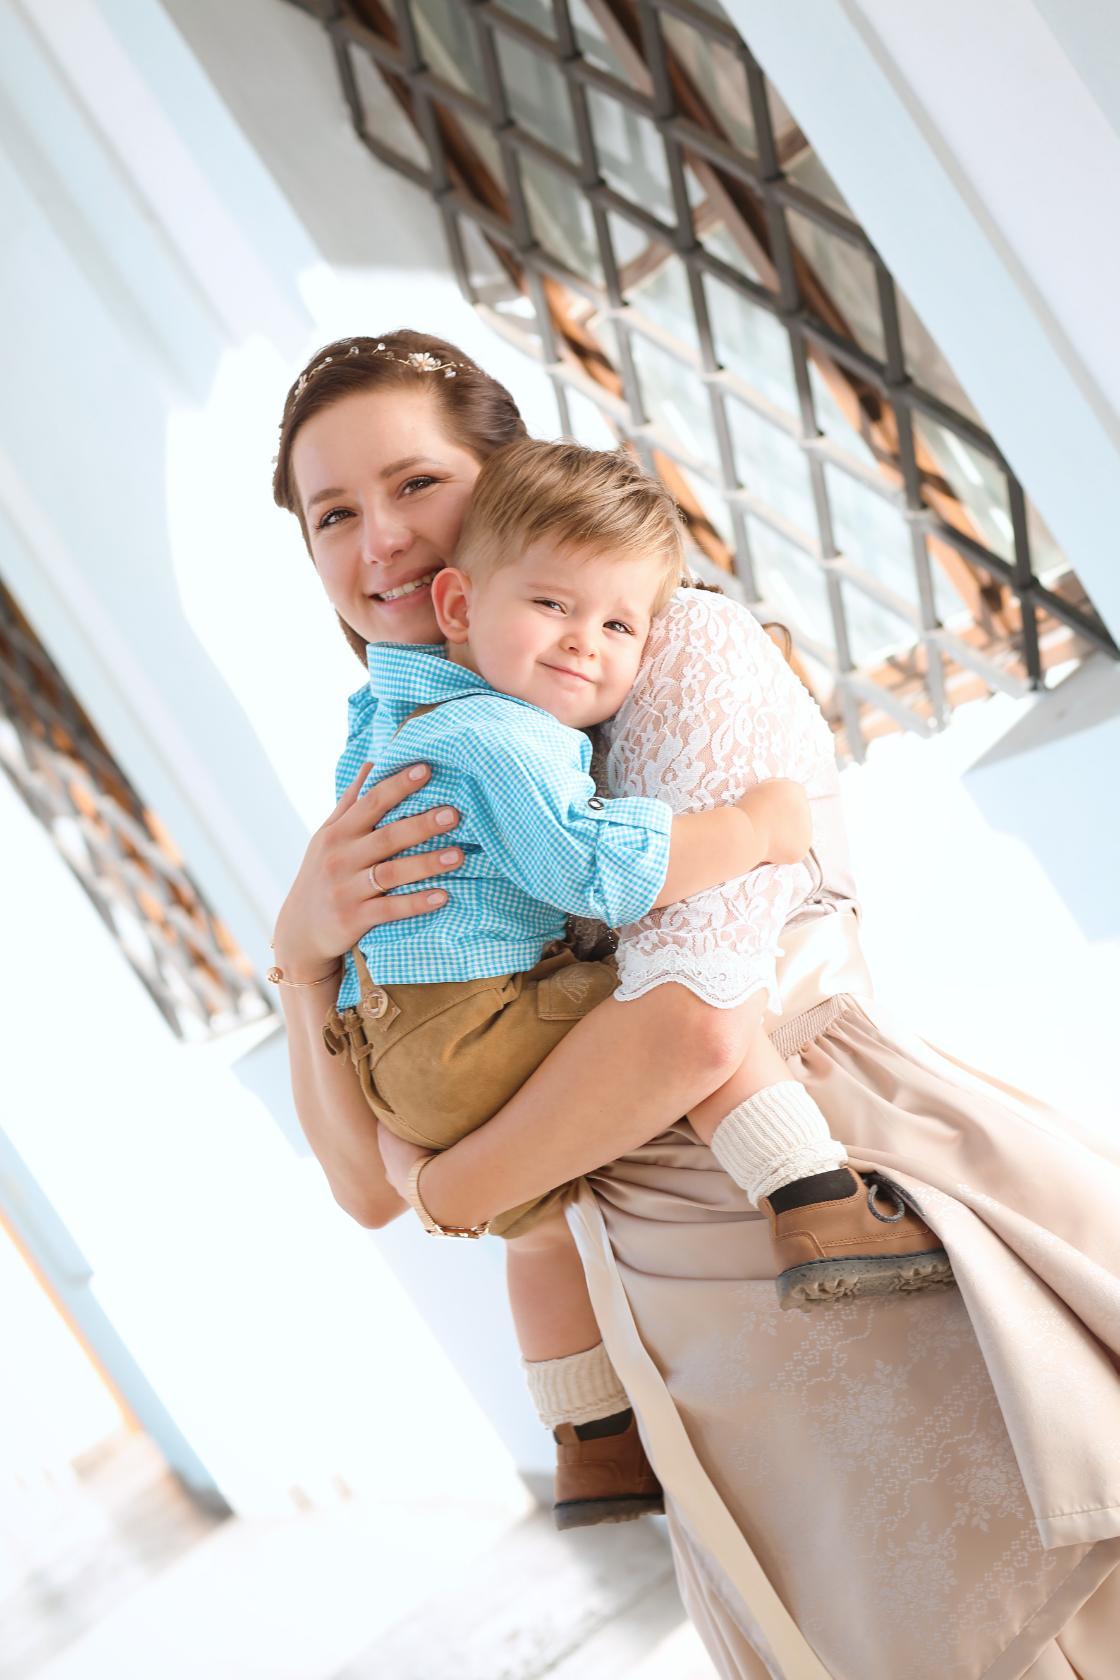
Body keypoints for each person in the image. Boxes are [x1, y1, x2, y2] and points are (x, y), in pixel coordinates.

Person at [271, 330, 1120, 1678]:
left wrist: (458, 1193)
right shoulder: (416, 753)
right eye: (332, 513)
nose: (377, 539)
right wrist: (301, 954)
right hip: (676, 1307)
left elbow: (694, 1026)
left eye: (414, 484)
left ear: (506, 474)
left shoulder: (678, 651)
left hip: (832, 1227)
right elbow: (362, 1182)